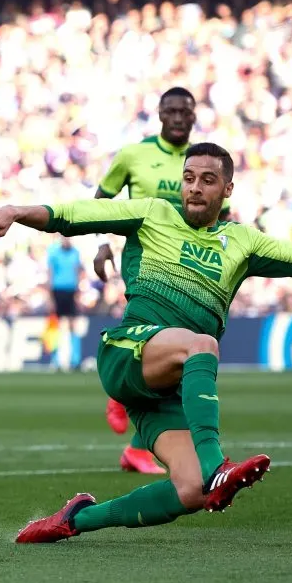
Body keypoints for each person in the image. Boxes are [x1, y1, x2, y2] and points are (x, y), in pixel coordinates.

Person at [0, 143, 292, 542]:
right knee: (202, 344)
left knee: (191, 492)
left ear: (226, 190)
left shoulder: (243, 242)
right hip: (128, 351)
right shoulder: (153, 213)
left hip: (165, 388)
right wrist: (16, 211)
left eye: (208, 180)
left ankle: (76, 519)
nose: (195, 187)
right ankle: (218, 463)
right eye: (188, 177)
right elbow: (77, 215)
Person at [94, 86, 231, 475]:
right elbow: (100, 200)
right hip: (144, 252)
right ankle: (125, 387)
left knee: (183, 345)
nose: (176, 117)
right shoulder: (133, 155)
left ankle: (138, 442)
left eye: (183, 111)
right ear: (158, 113)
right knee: (157, 327)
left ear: (193, 115)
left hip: (191, 258)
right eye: (169, 110)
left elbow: (224, 217)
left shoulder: (206, 160)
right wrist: (104, 244)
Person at [46, 237, 83, 371]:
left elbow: (77, 272)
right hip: (57, 291)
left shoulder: (75, 252)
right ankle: (55, 360)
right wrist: (50, 298)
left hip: (71, 291)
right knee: (56, 325)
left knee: (73, 325)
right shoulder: (53, 252)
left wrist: (78, 294)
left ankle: (75, 360)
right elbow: (49, 274)